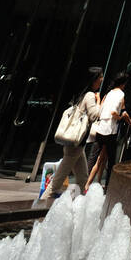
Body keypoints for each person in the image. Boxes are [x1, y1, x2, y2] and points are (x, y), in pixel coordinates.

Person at [49, 67, 103, 199]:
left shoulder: (81, 94)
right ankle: (43, 200)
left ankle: (80, 203)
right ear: (95, 79)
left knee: (83, 178)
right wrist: (99, 101)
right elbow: (94, 115)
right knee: (58, 180)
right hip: (75, 144)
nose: (102, 80)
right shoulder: (90, 95)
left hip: (78, 144)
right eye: (100, 77)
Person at [86, 71, 131, 190]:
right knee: (111, 159)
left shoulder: (109, 93)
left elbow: (101, 109)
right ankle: (108, 185)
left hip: (101, 127)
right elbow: (114, 112)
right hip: (110, 130)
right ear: (123, 84)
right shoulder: (121, 94)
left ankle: (84, 183)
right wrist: (121, 117)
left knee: (94, 157)